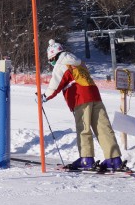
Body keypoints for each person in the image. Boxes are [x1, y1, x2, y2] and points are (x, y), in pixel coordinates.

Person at [42, 39, 124, 170]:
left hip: (80, 98)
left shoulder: (62, 63)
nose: (52, 63)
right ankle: (113, 158)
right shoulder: (78, 62)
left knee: (83, 128)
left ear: (55, 56)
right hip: (94, 95)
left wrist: (44, 97)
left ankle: (86, 159)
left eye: (51, 60)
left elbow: (55, 83)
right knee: (103, 127)